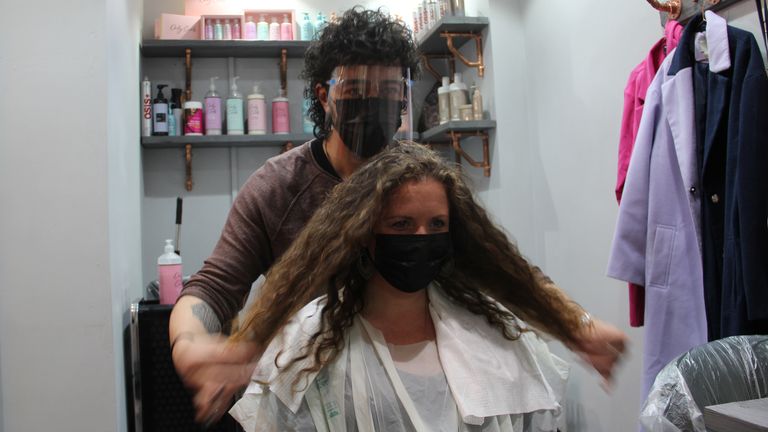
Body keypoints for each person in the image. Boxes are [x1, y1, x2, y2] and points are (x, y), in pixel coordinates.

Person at [169, 7, 627, 424]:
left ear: (404, 100)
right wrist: (190, 344)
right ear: (324, 95)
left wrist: (577, 325)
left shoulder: (421, 185)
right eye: (356, 90)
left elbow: (502, 266)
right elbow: (212, 287)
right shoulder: (277, 188)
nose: (373, 104)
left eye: (389, 91)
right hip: (311, 395)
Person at [229, 143, 582, 430]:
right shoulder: (306, 343)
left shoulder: (494, 332)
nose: (421, 238)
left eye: (437, 224)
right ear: (365, 233)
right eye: (401, 224)